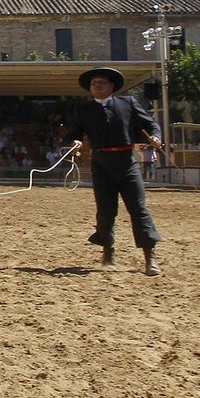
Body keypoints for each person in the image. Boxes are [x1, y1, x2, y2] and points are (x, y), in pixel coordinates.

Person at [64, 67, 163, 276]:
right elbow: (74, 133)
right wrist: (75, 142)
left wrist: (156, 137)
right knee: (106, 211)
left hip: (127, 163)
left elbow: (151, 124)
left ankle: (150, 257)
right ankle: (108, 251)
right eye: (93, 83)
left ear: (111, 86)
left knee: (138, 209)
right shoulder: (84, 110)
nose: (96, 85)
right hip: (101, 165)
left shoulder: (128, 103)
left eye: (101, 82)